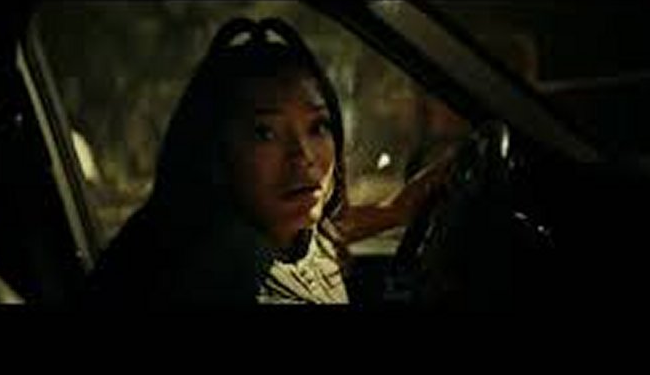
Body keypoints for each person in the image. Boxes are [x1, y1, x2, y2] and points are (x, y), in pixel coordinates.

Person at [85, 17, 453, 306]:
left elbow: (332, 230)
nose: (303, 156)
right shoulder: (221, 273)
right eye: (265, 133)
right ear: (215, 151)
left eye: (317, 127)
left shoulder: (277, 227)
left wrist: (396, 210)